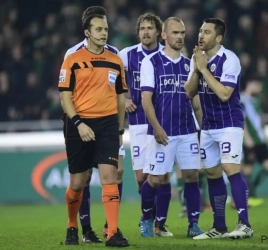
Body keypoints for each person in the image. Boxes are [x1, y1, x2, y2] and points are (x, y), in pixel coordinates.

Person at [58, 10, 129, 247]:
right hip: (79, 123)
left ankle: (112, 233)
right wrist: (78, 124)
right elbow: (65, 97)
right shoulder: (72, 59)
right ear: (87, 33)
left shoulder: (116, 60)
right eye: (99, 29)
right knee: (79, 183)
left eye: (106, 29)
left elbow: (120, 98)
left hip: (108, 123)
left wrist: (120, 130)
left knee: (110, 175)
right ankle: (72, 225)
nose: (103, 33)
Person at [184, 18, 253, 240]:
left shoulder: (229, 59)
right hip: (208, 126)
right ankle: (219, 226)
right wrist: (196, 69)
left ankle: (245, 224)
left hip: (229, 123)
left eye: (207, 32)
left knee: (230, 168)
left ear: (219, 37)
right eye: (201, 31)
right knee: (212, 173)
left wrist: (204, 69)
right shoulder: (198, 59)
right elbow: (189, 92)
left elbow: (224, 94)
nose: (201, 36)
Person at [140, 17, 204, 238]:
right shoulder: (151, 62)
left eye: (182, 33)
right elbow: (146, 99)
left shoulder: (190, 64)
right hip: (162, 132)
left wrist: (203, 130)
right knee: (156, 179)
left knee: (191, 176)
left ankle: (193, 224)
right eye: (175, 33)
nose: (179, 37)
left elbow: (195, 102)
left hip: (187, 131)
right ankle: (146, 219)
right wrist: (156, 127)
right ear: (164, 35)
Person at [119, 13, 173, 237]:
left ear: (159, 32)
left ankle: (155, 223)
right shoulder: (127, 55)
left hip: (163, 123)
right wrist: (124, 99)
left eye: (150, 28)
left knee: (163, 176)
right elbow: (110, 80)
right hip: (139, 123)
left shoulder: (167, 55)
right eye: (142, 28)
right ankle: (150, 219)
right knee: (142, 178)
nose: (145, 32)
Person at [240, 75, 268, 206]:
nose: (259, 88)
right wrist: (246, 137)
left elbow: (261, 117)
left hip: (260, 139)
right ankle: (248, 196)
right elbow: (242, 119)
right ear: (250, 83)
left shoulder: (257, 100)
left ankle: (251, 188)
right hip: (249, 139)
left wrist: (264, 133)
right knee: (248, 167)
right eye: (257, 84)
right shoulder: (241, 99)